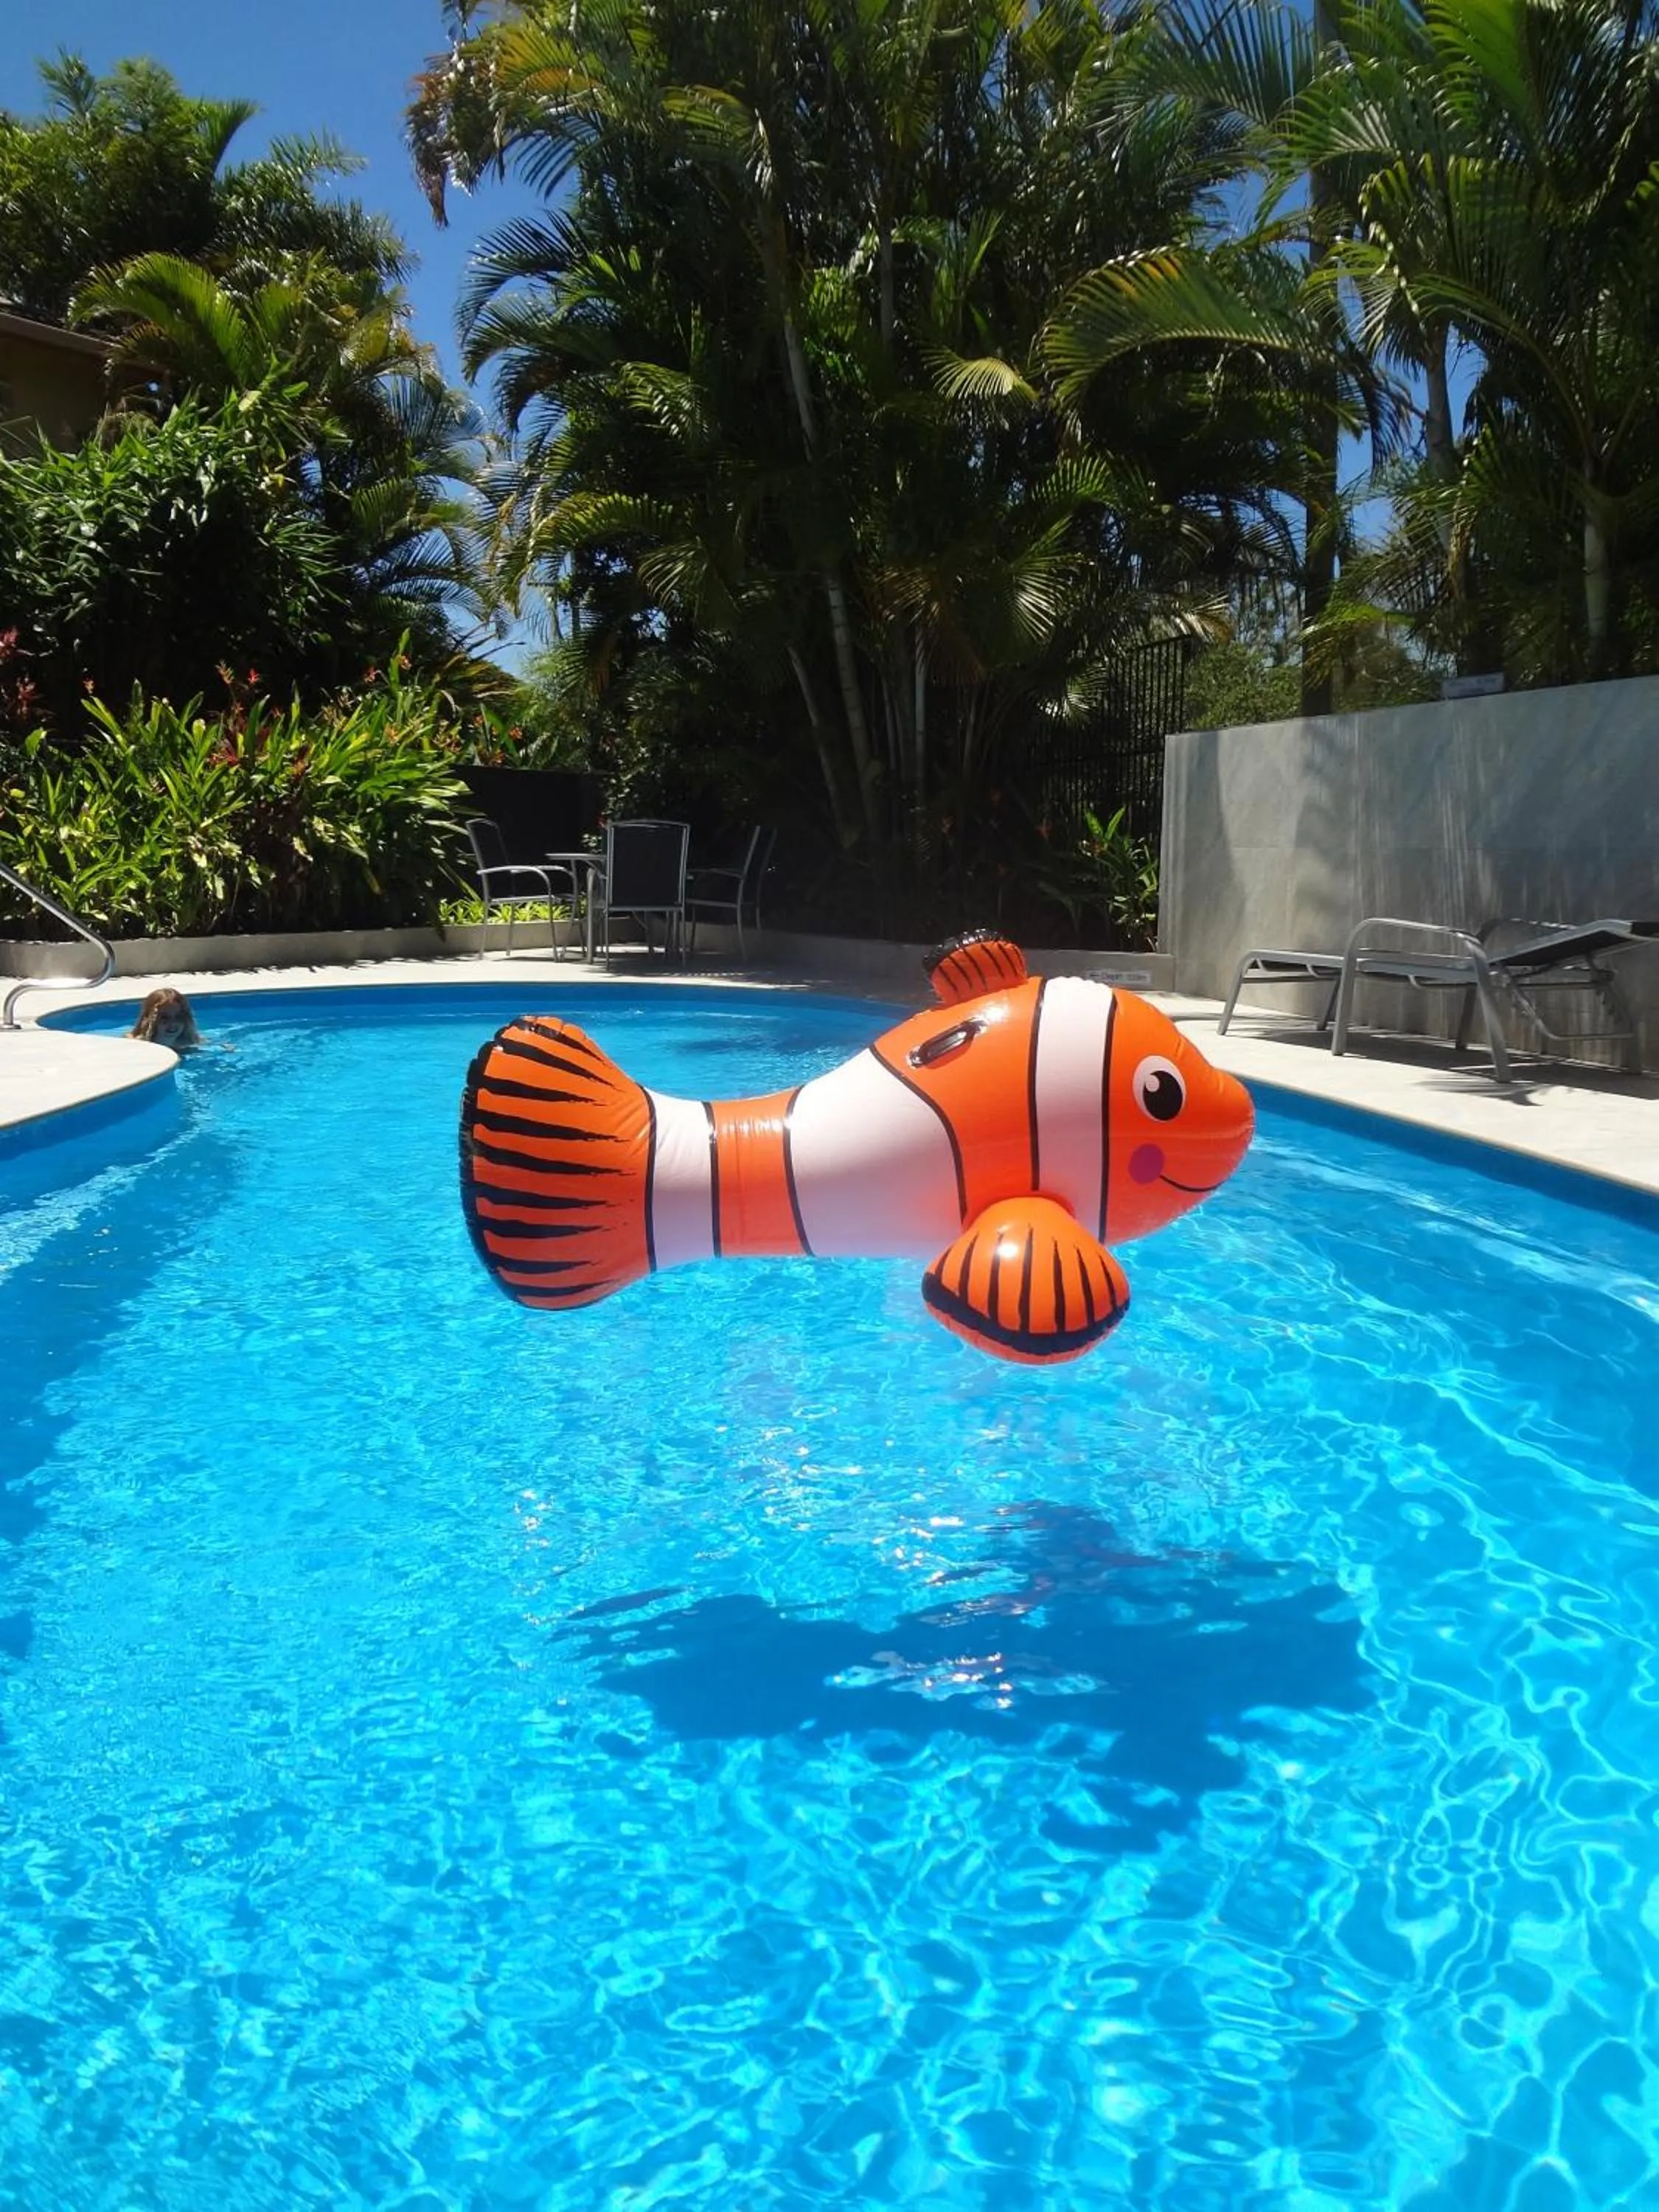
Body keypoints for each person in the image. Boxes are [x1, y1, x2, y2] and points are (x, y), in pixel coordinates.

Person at [128, 988, 203, 1051]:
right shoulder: (135, 1045)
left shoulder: (191, 1044)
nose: (173, 1023)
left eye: (178, 1017)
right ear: (150, 1020)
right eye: (164, 1018)